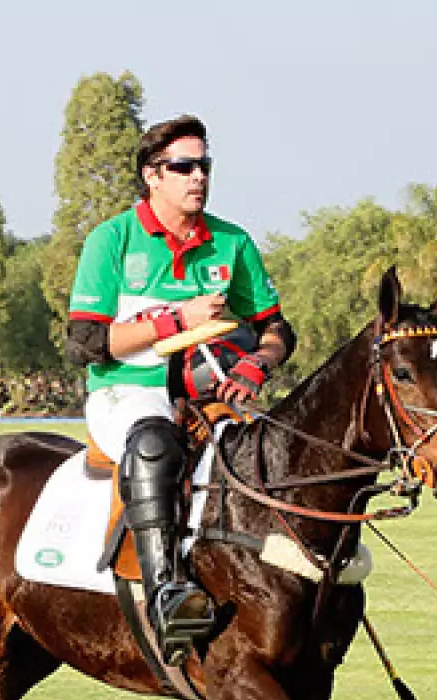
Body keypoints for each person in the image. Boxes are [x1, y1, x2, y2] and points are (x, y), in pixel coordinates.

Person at [65, 114, 296, 662]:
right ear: (152, 175)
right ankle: (166, 595)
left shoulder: (231, 242)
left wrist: (257, 365)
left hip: (214, 393)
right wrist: (175, 321)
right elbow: (86, 343)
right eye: (184, 167)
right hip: (128, 390)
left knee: (276, 454)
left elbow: (277, 329)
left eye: (204, 165)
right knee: (154, 444)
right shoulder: (112, 240)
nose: (199, 177)